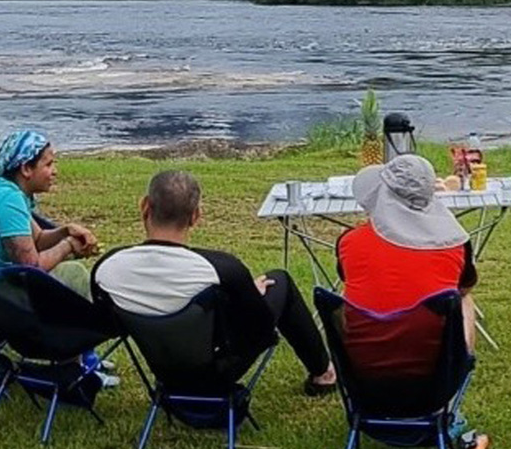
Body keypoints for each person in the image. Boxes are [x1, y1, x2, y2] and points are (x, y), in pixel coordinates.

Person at [91, 169, 336, 395]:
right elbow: (260, 330)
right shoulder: (221, 268)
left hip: (163, 369)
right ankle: (323, 374)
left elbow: (112, 325)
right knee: (279, 281)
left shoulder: (107, 268)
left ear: (144, 206)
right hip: (218, 368)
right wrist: (251, 295)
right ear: (195, 216)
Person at [336, 153, 488, 449]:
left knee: (352, 291)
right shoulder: (455, 244)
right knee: (462, 297)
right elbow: (465, 286)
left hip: (362, 377)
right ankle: (449, 404)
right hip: (434, 380)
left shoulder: (350, 242)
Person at [0, 129, 97, 297]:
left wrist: (66, 230)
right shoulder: (8, 200)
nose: (55, 171)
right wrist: (67, 246)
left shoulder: (1, 187)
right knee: (74, 273)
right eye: (48, 164)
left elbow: (37, 240)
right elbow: (31, 268)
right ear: (26, 169)